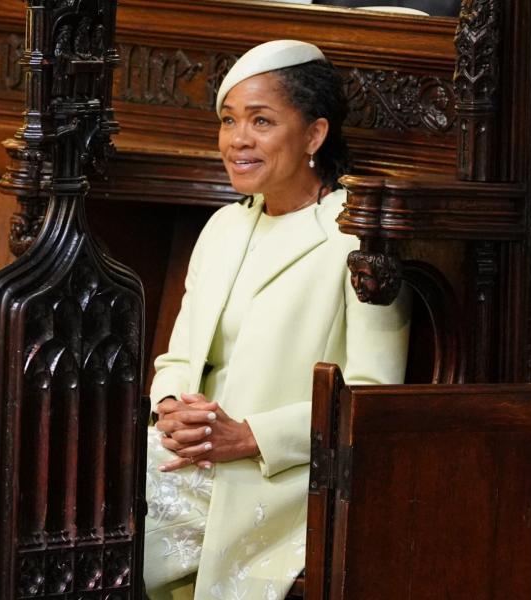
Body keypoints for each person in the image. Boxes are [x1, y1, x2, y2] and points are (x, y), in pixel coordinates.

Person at [143, 40, 411, 599]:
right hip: (186, 459)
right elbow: (177, 359)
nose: (238, 140)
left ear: (315, 135)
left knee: (87, 523)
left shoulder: (359, 235)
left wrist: (247, 437)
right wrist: (169, 407)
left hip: (285, 478)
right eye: (228, 121)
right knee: (62, 497)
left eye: (261, 121)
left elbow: (375, 394)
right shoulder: (222, 226)